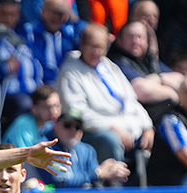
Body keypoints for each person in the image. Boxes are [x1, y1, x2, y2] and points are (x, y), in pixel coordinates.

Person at [56, 23, 154, 184]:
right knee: (111, 139)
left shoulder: (109, 66)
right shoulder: (70, 72)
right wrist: (112, 127)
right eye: (92, 47)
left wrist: (148, 126)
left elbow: (131, 100)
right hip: (93, 130)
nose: (96, 52)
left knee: (152, 138)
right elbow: (79, 113)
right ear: (82, 45)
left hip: (127, 127)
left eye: (100, 47)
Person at [107, 19, 183, 123]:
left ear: (147, 41)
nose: (135, 41)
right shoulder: (117, 61)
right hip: (138, 119)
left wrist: (158, 78)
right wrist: (171, 93)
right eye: (130, 37)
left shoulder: (148, 59)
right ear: (119, 40)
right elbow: (140, 90)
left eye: (140, 37)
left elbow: (181, 80)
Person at [37, 110, 129, 188]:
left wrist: (110, 172)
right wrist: (97, 173)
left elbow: (96, 180)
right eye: (68, 125)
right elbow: (61, 181)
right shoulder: (45, 148)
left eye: (78, 127)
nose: (73, 130)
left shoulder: (87, 150)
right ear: (56, 126)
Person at [22, 0, 86, 85]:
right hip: (39, 85)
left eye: (60, 14)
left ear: (66, 16)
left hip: (64, 84)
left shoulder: (68, 34)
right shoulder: (30, 32)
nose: (55, 17)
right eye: (52, 12)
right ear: (42, 12)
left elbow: (88, 34)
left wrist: (72, 16)